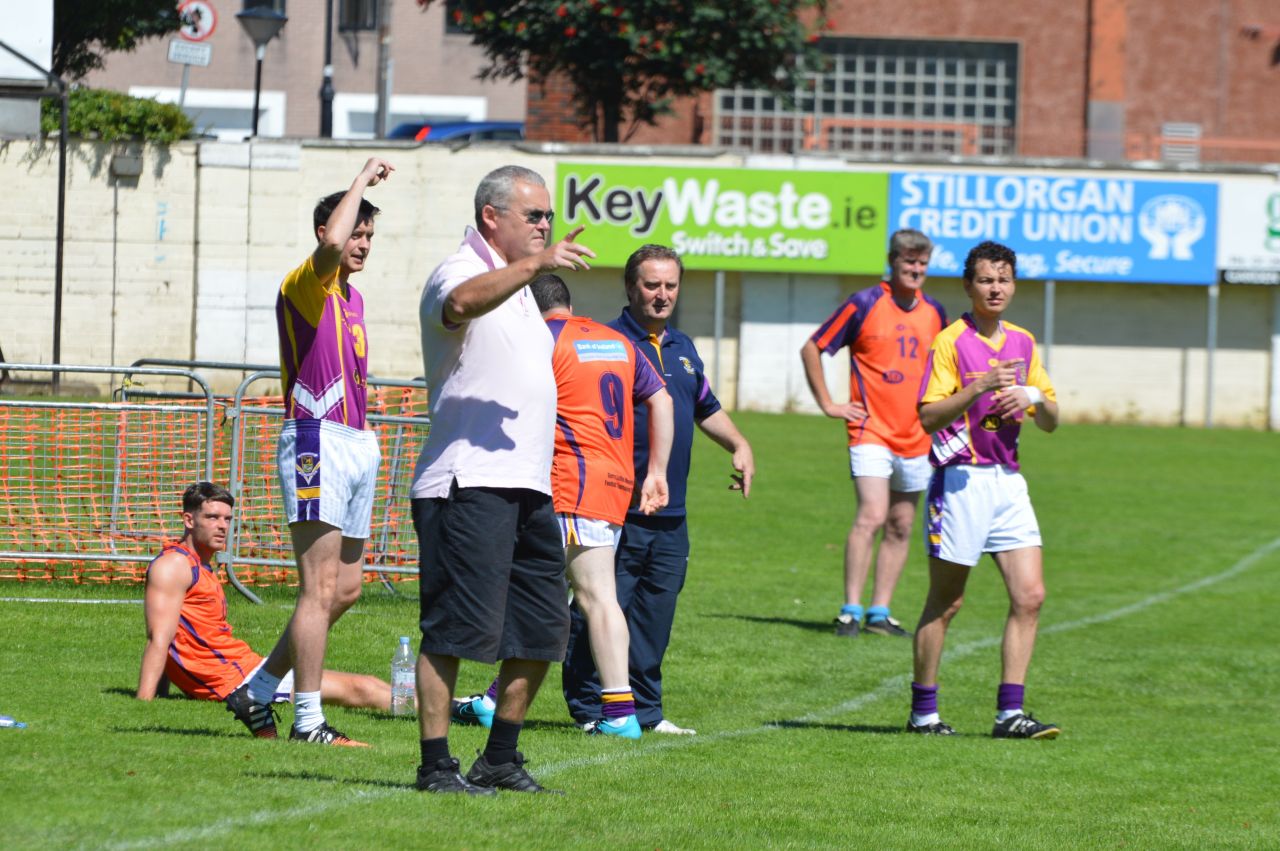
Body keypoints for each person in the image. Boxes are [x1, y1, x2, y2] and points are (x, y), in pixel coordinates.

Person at [411, 165, 596, 795]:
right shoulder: (458, 270)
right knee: (456, 630)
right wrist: (537, 264)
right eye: (533, 215)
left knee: (545, 628)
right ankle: (436, 766)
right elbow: (460, 305)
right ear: (492, 216)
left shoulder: (521, 289)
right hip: (466, 483)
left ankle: (499, 758)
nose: (545, 225)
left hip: (528, 488)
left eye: (547, 216)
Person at [451, 273, 675, 741]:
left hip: (570, 483)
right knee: (555, 595)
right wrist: (657, 470)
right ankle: (495, 700)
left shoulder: (541, 339)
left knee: (591, 597)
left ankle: (619, 714)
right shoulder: (618, 341)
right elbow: (661, 398)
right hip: (614, 484)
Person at [225, 157, 394, 747]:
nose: (362, 243)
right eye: (356, 232)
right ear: (328, 233)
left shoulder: (356, 300)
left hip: (356, 444)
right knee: (316, 588)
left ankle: (260, 685)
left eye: (371, 235)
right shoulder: (305, 283)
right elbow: (331, 245)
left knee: (345, 589)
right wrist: (360, 179)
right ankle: (308, 722)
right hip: (316, 440)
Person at [562, 244, 755, 736]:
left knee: (654, 615)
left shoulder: (684, 348)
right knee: (602, 607)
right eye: (652, 285)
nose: (662, 294)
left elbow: (705, 407)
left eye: (670, 285)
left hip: (672, 513)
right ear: (630, 288)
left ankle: (647, 712)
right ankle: (591, 707)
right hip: (615, 505)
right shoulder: (607, 343)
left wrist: (738, 443)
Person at [907, 240, 1061, 739]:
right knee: (947, 602)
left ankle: (1009, 714)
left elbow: (1052, 423)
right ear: (969, 286)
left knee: (1031, 596)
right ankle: (924, 713)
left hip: (1008, 482)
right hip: (961, 481)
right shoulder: (951, 341)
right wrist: (977, 386)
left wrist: (1034, 395)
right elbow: (928, 417)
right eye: (986, 280)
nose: (996, 288)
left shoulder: (1023, 342)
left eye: (1004, 279)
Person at [800, 229, 948, 638]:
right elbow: (813, 347)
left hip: (917, 437)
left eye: (922, 263)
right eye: (908, 262)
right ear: (893, 261)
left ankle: (879, 612)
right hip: (870, 430)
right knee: (872, 514)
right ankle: (850, 609)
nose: (916, 269)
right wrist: (828, 403)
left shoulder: (936, 312)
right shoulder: (864, 304)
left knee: (901, 524)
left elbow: (947, 369)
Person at [137, 482, 390, 716]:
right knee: (362, 689)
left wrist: (162, 694)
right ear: (188, 520)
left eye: (227, 519)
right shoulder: (174, 565)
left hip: (243, 669)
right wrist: (144, 704)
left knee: (371, 684)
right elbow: (159, 639)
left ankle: (421, 702)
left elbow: (174, 638)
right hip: (237, 683)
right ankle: (427, 710)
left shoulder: (198, 565)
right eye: (212, 517)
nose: (222, 526)